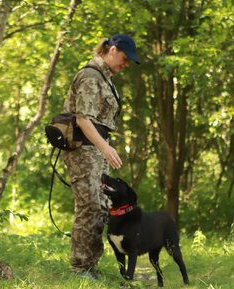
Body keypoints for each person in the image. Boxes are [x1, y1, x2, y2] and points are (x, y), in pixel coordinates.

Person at [62, 33, 140, 278]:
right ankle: (81, 269)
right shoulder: (91, 76)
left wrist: (103, 149)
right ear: (113, 49)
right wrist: (106, 148)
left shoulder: (105, 78)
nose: (126, 65)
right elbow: (83, 119)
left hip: (95, 150)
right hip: (83, 150)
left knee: (99, 206)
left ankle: (90, 267)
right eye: (125, 59)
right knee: (90, 207)